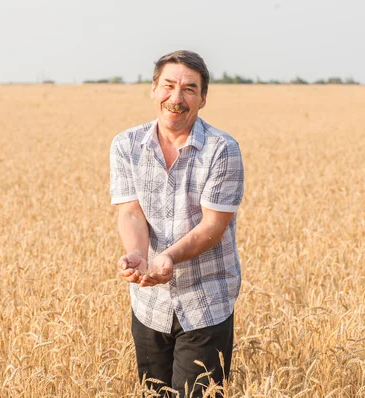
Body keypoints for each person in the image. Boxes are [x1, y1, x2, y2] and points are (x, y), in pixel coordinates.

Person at [110, 50, 244, 397]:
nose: (176, 98)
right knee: (153, 393)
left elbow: (213, 227)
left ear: (203, 98)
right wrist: (138, 254)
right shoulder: (126, 145)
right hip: (149, 303)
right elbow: (130, 211)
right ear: (154, 89)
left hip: (205, 299)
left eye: (188, 89)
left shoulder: (222, 149)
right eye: (168, 86)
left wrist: (167, 257)